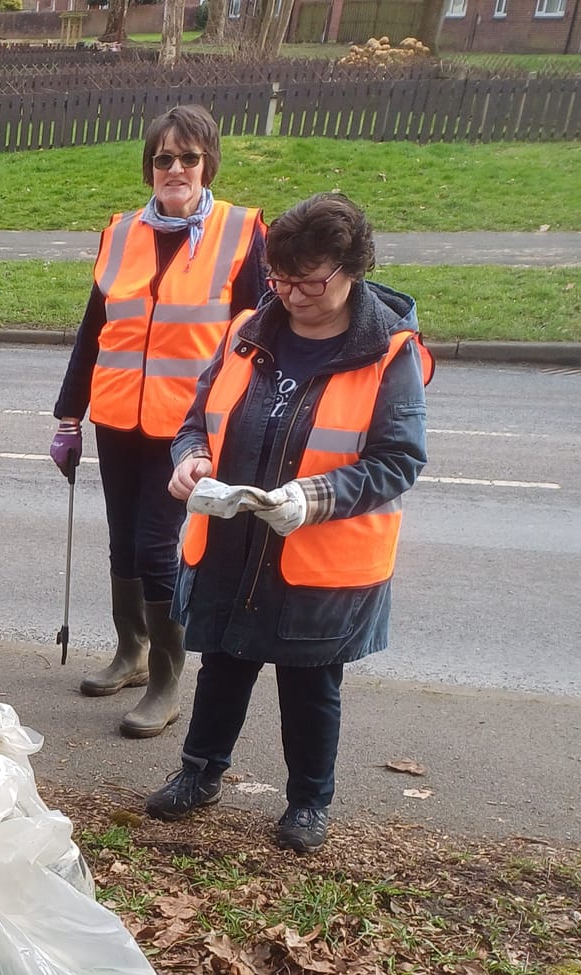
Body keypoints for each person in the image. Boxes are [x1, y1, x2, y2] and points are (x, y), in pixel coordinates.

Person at [145, 193, 432, 853]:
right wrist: (190, 460)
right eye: (280, 278)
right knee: (223, 662)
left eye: (310, 281)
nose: (292, 294)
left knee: (309, 684)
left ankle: (308, 802)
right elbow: (198, 420)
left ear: (352, 268)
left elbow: (399, 460)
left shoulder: (389, 353)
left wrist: (316, 498)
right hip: (234, 540)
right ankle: (199, 774)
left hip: (319, 557)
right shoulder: (248, 329)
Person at [52, 106, 265, 736]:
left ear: (208, 164)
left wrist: (243, 423)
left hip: (188, 432)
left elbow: (255, 338)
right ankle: (132, 652)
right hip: (119, 417)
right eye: (163, 158)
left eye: (188, 158)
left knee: (155, 546)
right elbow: (95, 332)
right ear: (149, 166)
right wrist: (69, 413)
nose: (174, 169)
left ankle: (170, 679)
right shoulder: (120, 233)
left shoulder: (240, 232)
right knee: (124, 541)